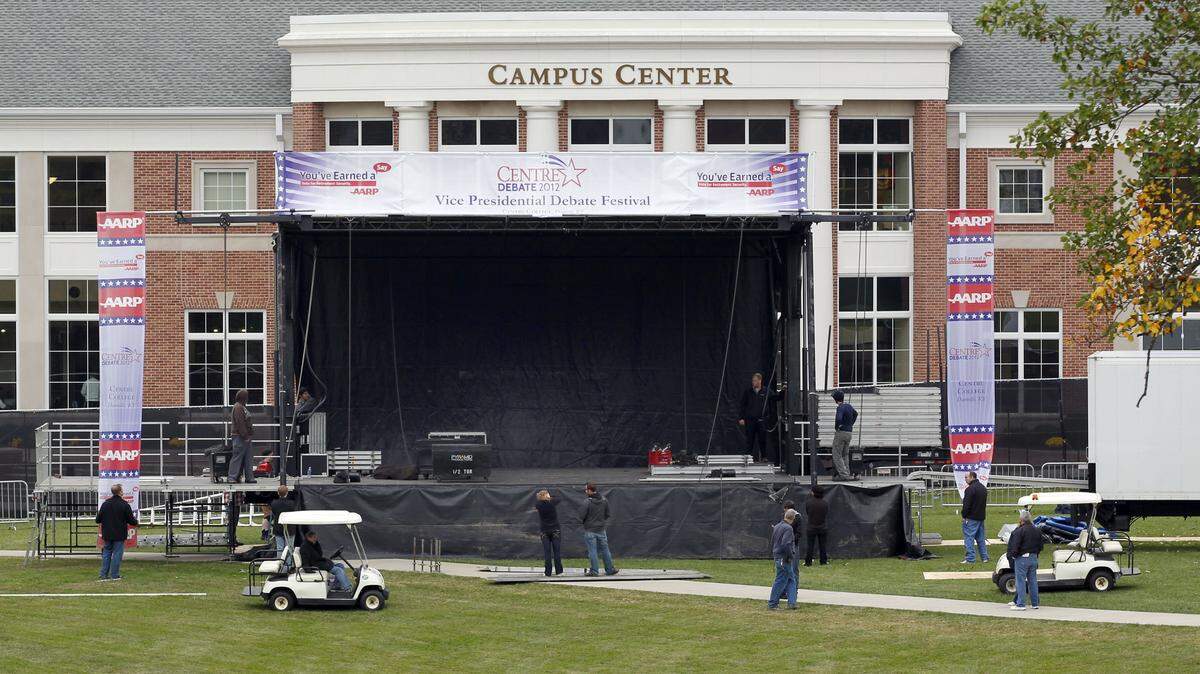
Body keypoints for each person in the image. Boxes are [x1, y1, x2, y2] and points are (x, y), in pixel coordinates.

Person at [95, 483, 138, 581]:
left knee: (106, 553)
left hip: (107, 533)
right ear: (120, 492)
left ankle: (103, 575)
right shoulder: (124, 504)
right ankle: (114, 575)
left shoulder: (105, 504)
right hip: (119, 534)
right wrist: (136, 522)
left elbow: (98, 520)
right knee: (117, 554)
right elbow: (131, 521)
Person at [739, 373, 784, 463]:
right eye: (753, 381)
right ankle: (748, 457)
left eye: (755, 381)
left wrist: (783, 391)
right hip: (750, 420)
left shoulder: (766, 391)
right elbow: (742, 405)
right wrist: (741, 418)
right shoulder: (748, 392)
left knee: (762, 439)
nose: (753, 382)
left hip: (762, 420)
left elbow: (776, 398)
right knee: (750, 439)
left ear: (760, 380)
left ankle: (764, 457)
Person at [1006, 509, 1044, 610]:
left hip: (1022, 558)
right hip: (1034, 557)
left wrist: (1014, 556)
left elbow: (1015, 546)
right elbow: (1041, 546)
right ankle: (1035, 603)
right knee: (1033, 581)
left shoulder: (1020, 531)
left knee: (1020, 581)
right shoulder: (1037, 530)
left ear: (1021, 519)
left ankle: (1021, 604)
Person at [580, 482, 618, 577]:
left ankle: (594, 571)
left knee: (592, 551)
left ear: (589, 490)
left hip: (590, 529)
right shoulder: (604, 500)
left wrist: (586, 522)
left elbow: (581, 515)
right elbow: (607, 514)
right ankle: (610, 569)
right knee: (605, 550)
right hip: (601, 529)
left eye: (586, 489)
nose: (585, 491)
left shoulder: (587, 502)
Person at [767, 509, 798, 610]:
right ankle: (773, 604)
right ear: (793, 518)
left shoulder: (777, 526)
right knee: (781, 580)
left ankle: (792, 603)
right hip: (784, 558)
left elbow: (773, 541)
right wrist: (790, 556)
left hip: (777, 556)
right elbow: (785, 544)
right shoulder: (788, 528)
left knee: (790, 579)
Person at [961, 471, 990, 564]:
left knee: (969, 538)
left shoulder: (969, 489)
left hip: (971, 518)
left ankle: (970, 558)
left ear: (972, 477)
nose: (965, 479)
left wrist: (964, 516)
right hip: (981, 517)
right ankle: (984, 557)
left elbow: (966, 505)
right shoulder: (983, 488)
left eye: (966, 477)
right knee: (981, 539)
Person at [229, 388, 256, 483]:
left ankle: (249, 477)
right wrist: (245, 436)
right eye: (246, 396)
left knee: (248, 458)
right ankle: (232, 477)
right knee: (237, 457)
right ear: (243, 397)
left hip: (245, 437)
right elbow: (240, 423)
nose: (247, 398)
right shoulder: (238, 407)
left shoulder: (242, 407)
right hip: (239, 437)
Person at [830, 390, 858, 481]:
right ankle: (847, 473)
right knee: (845, 454)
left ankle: (843, 475)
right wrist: (850, 425)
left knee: (836, 454)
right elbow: (856, 414)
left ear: (835, 399)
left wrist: (837, 427)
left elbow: (838, 418)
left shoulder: (840, 407)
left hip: (841, 433)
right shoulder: (849, 406)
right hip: (849, 433)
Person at [535, 489, 564, 577]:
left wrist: (545, 497)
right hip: (555, 530)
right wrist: (550, 498)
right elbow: (559, 498)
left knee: (547, 552)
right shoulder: (552, 503)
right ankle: (559, 572)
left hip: (544, 531)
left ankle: (548, 572)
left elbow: (539, 504)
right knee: (557, 551)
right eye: (548, 494)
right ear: (546, 496)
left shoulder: (538, 505)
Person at [804, 486, 830, 566]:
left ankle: (808, 562)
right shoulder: (825, 503)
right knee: (823, 545)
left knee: (810, 546)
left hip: (811, 527)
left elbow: (808, 513)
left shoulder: (808, 503)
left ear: (813, 493)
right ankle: (823, 561)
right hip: (822, 527)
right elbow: (825, 514)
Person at [269, 485, 295, 554]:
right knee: (289, 548)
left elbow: (274, 513)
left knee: (280, 548)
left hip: (278, 527)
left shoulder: (274, 503)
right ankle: (288, 564)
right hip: (290, 528)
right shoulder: (292, 503)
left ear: (278, 493)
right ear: (287, 493)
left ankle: (280, 563)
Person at [783, 499, 803, 579]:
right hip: (786, 544)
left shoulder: (798, 517)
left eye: (785, 509)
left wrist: (792, 539)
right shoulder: (786, 517)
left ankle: (795, 588)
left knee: (794, 567)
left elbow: (799, 532)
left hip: (794, 544)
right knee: (785, 567)